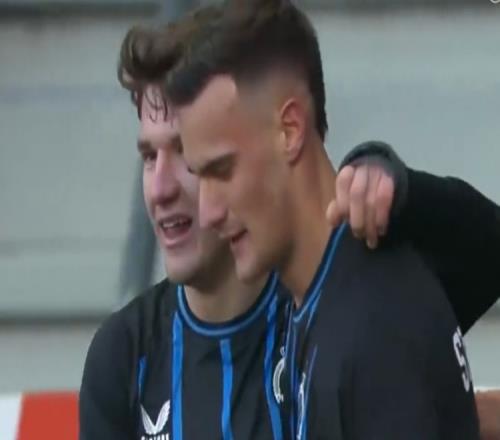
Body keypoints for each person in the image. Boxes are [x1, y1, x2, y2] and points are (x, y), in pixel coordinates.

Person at [161, 1, 484, 438]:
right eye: (200, 177)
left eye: (223, 170)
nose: (208, 212)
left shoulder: (375, 326)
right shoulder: (318, 302)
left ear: (290, 131)